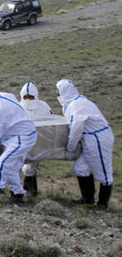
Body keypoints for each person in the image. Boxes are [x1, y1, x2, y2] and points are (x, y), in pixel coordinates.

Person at [56, 79, 114, 209]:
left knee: (104, 173)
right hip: (90, 139)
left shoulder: (78, 105)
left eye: (59, 92)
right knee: (80, 168)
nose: (58, 95)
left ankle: (102, 203)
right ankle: (88, 199)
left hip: (98, 139)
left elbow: (76, 128)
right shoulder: (75, 102)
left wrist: (71, 145)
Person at [19, 81, 53, 196]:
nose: (28, 100)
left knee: (30, 167)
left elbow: (52, 122)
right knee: (26, 167)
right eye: (26, 97)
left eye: (31, 97)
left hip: (39, 141)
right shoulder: (18, 107)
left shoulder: (44, 107)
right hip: (23, 141)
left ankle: (29, 191)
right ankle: (31, 190)